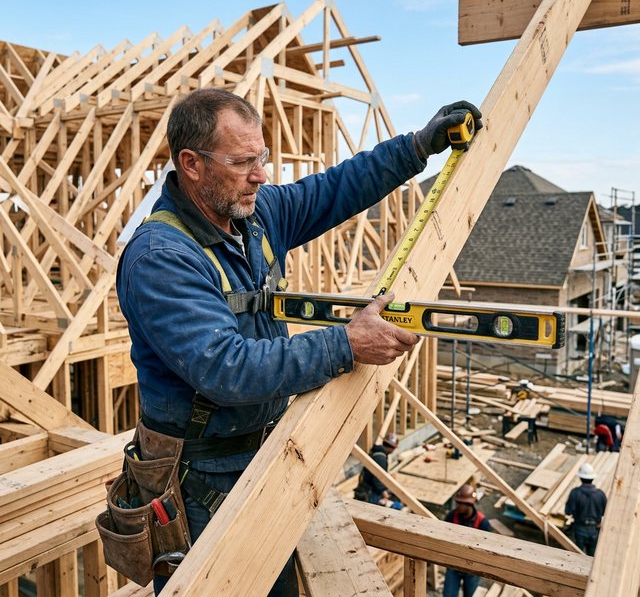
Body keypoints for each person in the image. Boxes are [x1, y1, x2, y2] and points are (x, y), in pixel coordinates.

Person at [116, 88, 482, 596]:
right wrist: (345, 345)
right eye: (243, 162)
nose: (261, 175)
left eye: (261, 158)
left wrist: (416, 147)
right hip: (198, 480)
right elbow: (227, 369)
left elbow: (336, 188)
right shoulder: (160, 256)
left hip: (263, 455)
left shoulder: (254, 216)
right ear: (191, 164)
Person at [443, 484, 491, 597]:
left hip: (473, 569)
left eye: (460, 503)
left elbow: (487, 548)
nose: (457, 505)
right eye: (457, 502)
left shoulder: (482, 522)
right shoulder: (451, 516)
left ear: (470, 504)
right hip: (453, 564)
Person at [565, 463, 607, 555]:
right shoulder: (600, 494)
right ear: (592, 478)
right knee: (591, 560)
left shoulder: (575, 493)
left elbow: (568, 511)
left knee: (577, 557)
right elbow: (606, 512)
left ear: (580, 477)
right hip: (595, 530)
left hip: (579, 529)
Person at [361, 432, 400, 507]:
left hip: (367, 486)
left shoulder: (377, 452)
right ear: (391, 448)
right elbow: (377, 478)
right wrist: (384, 492)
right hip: (371, 491)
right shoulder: (381, 458)